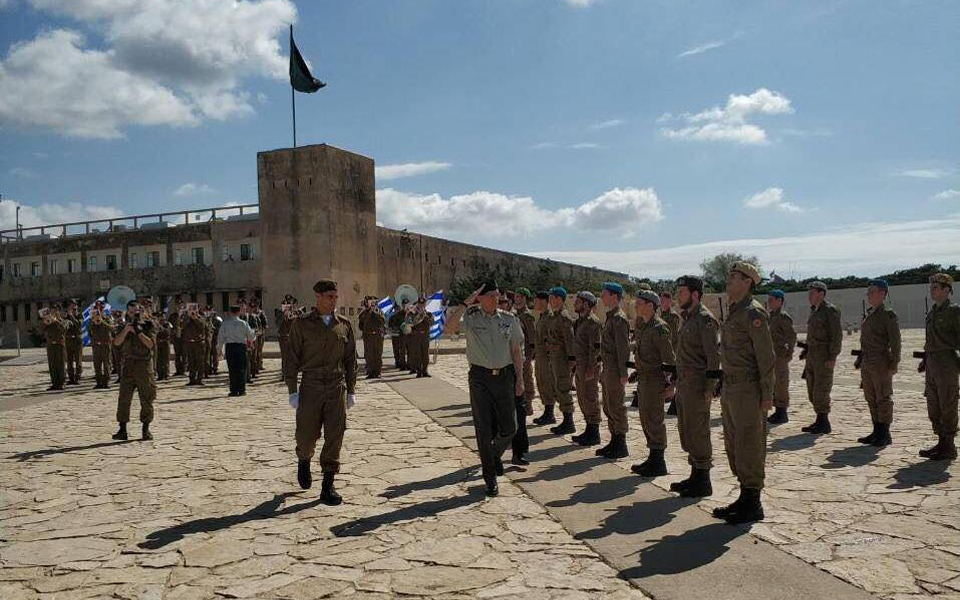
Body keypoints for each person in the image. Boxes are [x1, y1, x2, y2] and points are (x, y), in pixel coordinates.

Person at [712, 262, 775, 523]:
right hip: (731, 387)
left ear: (748, 281)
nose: (729, 281)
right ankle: (744, 496)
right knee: (734, 444)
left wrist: (767, 395)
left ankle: (753, 503)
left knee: (749, 444)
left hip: (749, 390)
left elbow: (766, 358)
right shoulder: (735, 312)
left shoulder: (753, 313)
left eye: (734, 277)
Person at [287, 279, 358, 505]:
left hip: (336, 386)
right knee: (306, 435)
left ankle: (328, 484)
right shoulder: (302, 324)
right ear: (317, 297)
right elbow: (291, 359)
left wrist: (351, 390)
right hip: (311, 386)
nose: (334, 300)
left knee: (335, 435)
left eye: (336, 297)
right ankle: (304, 459)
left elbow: (350, 360)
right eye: (330, 296)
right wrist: (292, 390)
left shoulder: (344, 325)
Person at [460, 280, 525, 496]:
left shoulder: (508, 319)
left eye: (497, 295)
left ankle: (494, 454)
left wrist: (520, 379)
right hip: (480, 378)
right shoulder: (471, 317)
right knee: (483, 429)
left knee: (510, 427)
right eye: (490, 296)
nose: (495, 299)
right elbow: (448, 327)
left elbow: (516, 350)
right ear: (479, 297)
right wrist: (465, 302)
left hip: (504, 376)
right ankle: (490, 478)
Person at [670, 275, 721, 498]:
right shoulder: (688, 319)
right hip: (684, 384)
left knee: (699, 431)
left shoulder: (704, 320)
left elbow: (713, 357)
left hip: (698, 386)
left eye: (682, 292)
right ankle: (695, 475)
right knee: (687, 430)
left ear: (695, 294)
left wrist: (711, 387)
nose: (677, 295)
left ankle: (703, 480)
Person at [630, 290, 676, 477]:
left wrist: (670, 385)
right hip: (644, 378)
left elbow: (669, 359)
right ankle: (653, 457)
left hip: (656, 381)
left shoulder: (659, 328)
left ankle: (659, 462)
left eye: (639, 303)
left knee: (655, 420)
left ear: (650, 305)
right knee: (646, 419)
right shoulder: (645, 325)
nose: (636, 306)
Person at [919, 273, 959, 461]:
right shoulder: (932, 312)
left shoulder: (954, 311)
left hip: (947, 362)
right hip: (932, 362)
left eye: (936, 287)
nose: (932, 290)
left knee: (947, 404)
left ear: (946, 290)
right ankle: (941, 441)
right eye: (931, 287)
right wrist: (925, 359)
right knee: (933, 405)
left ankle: (949, 446)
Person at [856, 279, 901, 447]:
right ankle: (876, 429)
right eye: (868, 292)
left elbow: (895, 341)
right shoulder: (870, 314)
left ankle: (884, 432)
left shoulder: (887, 315)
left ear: (882, 293)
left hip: (881, 361)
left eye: (872, 291)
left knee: (883, 397)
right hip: (868, 361)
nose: (869, 295)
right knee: (871, 397)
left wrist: (894, 363)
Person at [112, 299, 157, 441]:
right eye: (130, 312)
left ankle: (146, 428)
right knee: (124, 398)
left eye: (135, 312)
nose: (133, 315)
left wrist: (139, 332)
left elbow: (150, 344)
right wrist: (126, 330)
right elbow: (116, 343)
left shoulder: (148, 325)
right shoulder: (122, 325)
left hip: (143, 366)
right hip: (128, 365)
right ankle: (122, 429)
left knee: (146, 397)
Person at [801, 281, 842, 435]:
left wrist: (832, 357)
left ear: (821, 293)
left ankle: (824, 422)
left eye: (812, 292)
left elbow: (836, 336)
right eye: (809, 293)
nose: (809, 296)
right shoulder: (814, 311)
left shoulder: (830, 311)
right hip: (812, 355)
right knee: (812, 387)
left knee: (821, 388)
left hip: (824, 355)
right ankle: (819, 419)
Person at [597, 282, 631, 459]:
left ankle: (621, 443)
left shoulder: (618, 319)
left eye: (604, 294)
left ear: (615, 297)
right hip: (608, 369)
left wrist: (624, 373)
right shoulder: (611, 317)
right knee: (609, 406)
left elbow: (623, 348)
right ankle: (614, 439)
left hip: (616, 371)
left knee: (616, 406)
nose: (602, 298)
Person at [571, 291, 603, 446]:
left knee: (590, 397)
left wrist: (592, 368)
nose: (574, 304)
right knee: (583, 397)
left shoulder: (592, 322)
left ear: (586, 304)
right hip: (581, 365)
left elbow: (596, 348)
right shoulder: (580, 321)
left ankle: (594, 433)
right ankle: (589, 429)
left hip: (589, 366)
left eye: (578, 301)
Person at [544, 287, 577, 435]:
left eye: (553, 298)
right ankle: (565, 419)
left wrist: (571, 359)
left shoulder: (564, 317)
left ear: (559, 299)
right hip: (554, 357)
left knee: (563, 389)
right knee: (557, 388)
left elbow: (569, 341)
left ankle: (569, 422)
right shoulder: (553, 316)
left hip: (562, 359)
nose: (550, 301)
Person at [766, 289, 797, 425]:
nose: (769, 302)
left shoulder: (783, 317)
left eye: (772, 300)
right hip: (770, 355)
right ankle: (777, 410)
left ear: (780, 301)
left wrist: (788, 353)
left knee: (781, 383)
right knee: (774, 383)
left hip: (779, 356)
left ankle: (782, 412)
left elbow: (791, 336)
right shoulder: (770, 316)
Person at [218, 305, 256, 397]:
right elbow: (251, 336)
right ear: (239, 312)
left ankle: (233, 390)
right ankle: (241, 390)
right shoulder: (243, 323)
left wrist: (219, 349)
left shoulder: (225, 324)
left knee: (232, 369)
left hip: (230, 347)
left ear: (230, 313)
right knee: (242, 369)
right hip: (240, 347)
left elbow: (220, 338)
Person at [532, 291, 558, 425]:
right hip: (540, 356)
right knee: (541, 382)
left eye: (536, 300)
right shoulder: (542, 317)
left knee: (547, 383)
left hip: (547, 357)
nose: (534, 303)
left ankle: (550, 413)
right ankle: (547, 412)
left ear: (543, 301)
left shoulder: (549, 317)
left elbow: (551, 339)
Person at [513, 288, 537, 418]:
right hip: (516, 352)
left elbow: (532, 338)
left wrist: (530, 355)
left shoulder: (528, 316)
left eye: (522, 297)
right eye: (517, 297)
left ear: (526, 299)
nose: (519, 299)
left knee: (527, 379)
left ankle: (528, 404)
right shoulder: (514, 315)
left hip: (525, 353)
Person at [659, 291, 682, 415]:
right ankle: (668, 396)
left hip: (671, 350)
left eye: (663, 300)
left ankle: (673, 398)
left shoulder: (673, 316)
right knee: (665, 375)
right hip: (663, 350)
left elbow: (672, 337)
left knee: (672, 376)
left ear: (669, 301)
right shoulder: (661, 315)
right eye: (660, 300)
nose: (661, 302)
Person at [358, 296, 386, 378]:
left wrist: (375, 312)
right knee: (369, 354)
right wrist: (369, 312)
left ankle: (377, 371)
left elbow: (383, 321)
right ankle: (370, 372)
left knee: (377, 354)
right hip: (368, 335)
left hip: (377, 336)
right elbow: (361, 325)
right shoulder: (364, 313)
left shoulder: (379, 311)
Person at [42, 305, 67, 391]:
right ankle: (54, 383)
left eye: (55, 311)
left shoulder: (62, 321)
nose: (53, 313)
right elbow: (42, 331)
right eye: (52, 311)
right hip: (50, 346)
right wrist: (45, 322)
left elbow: (64, 329)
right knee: (52, 365)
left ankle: (61, 383)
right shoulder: (48, 323)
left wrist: (56, 321)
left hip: (59, 345)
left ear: (58, 312)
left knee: (60, 364)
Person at [180, 304, 207, 386]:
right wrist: (188, 318)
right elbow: (182, 326)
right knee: (191, 361)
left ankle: (199, 379)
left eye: (194, 309)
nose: (192, 310)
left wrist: (195, 318)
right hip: (189, 342)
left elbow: (203, 326)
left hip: (199, 342)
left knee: (200, 361)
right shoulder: (186, 318)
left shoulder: (201, 317)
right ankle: (192, 379)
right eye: (190, 309)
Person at [89, 306, 114, 389]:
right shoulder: (92, 321)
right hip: (96, 346)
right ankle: (98, 382)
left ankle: (106, 382)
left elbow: (111, 328)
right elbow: (90, 332)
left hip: (105, 345)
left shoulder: (107, 319)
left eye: (99, 311)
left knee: (107, 364)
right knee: (97, 365)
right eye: (96, 312)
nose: (97, 314)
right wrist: (93, 322)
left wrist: (102, 321)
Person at [410, 297, 435, 377]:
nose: (421, 306)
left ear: (425, 305)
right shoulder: (413, 314)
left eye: (422, 304)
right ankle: (419, 371)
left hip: (425, 335)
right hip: (416, 335)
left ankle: (425, 371)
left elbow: (431, 323)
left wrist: (424, 316)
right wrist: (418, 316)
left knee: (425, 354)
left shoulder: (429, 314)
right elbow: (411, 324)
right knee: (417, 354)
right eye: (420, 304)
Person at [277, 296, 298, 382]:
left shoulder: (294, 313)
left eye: (289, 304)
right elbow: (277, 323)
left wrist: (291, 315)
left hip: (293, 337)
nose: (287, 306)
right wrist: (283, 315)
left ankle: (292, 374)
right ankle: (284, 374)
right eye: (285, 305)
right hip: (283, 337)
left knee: (293, 357)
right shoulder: (279, 313)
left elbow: (297, 322)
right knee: (284, 357)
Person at [64, 299, 84, 385]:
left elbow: (78, 325)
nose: (71, 307)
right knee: (69, 360)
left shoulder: (79, 315)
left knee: (78, 359)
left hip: (77, 339)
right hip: (68, 339)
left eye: (73, 305)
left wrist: (72, 316)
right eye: (70, 305)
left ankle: (78, 377)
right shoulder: (65, 315)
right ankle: (71, 378)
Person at [388, 299, 410, 370]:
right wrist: (400, 327)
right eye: (403, 305)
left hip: (410, 335)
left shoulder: (411, 313)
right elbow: (392, 324)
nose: (405, 306)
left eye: (406, 305)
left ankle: (410, 364)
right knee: (401, 350)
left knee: (410, 350)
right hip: (401, 335)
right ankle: (402, 364)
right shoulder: (397, 315)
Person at [169, 296, 186, 376]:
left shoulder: (186, 315)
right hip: (176, 337)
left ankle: (184, 369)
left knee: (184, 354)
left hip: (185, 337)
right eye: (177, 304)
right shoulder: (173, 316)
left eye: (180, 304)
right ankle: (178, 370)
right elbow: (170, 325)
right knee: (178, 354)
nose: (179, 306)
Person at [155, 313, 172, 381]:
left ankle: (166, 374)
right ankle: (160, 375)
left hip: (165, 343)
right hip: (158, 343)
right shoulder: (155, 324)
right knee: (159, 360)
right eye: (159, 317)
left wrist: (160, 327)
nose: (161, 318)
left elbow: (168, 332)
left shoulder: (167, 324)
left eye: (162, 317)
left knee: (166, 359)